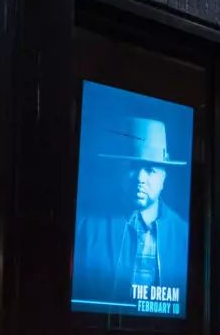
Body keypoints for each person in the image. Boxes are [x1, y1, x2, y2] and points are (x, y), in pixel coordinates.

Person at [73, 115, 189, 315]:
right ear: (118, 170)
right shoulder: (86, 227)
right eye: (133, 167)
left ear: (164, 177)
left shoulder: (183, 235)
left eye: (151, 170)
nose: (140, 179)